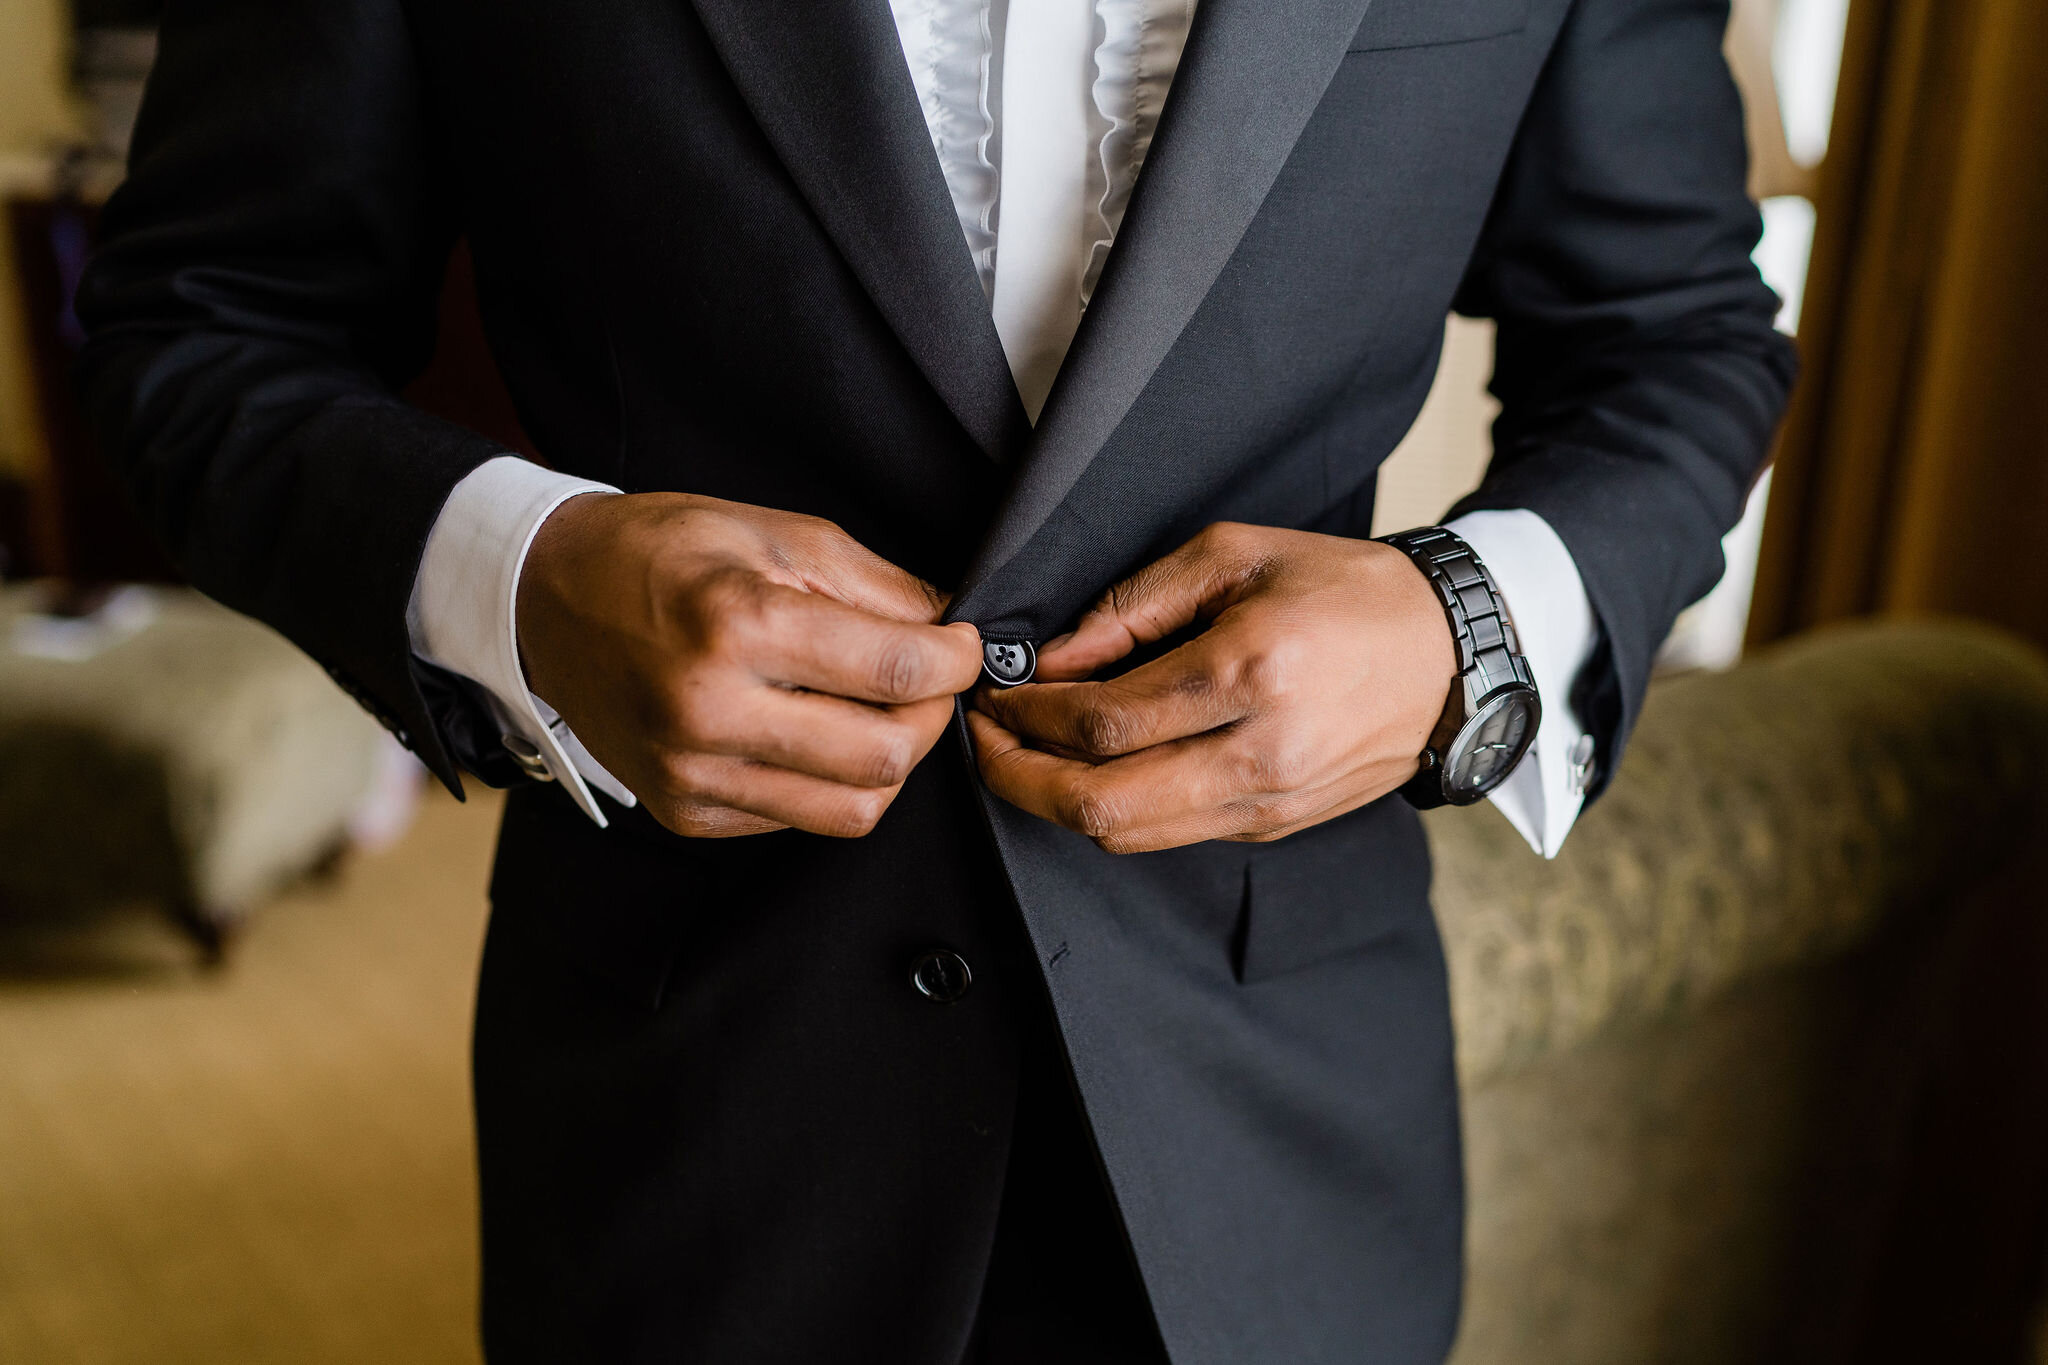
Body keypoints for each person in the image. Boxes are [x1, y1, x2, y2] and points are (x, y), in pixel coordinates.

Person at [77, 0, 1795, 1359]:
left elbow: (1677, 338)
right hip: (698, 1123)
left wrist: (1461, 631)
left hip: (1275, 1127)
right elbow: (203, 316)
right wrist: (525, 582)